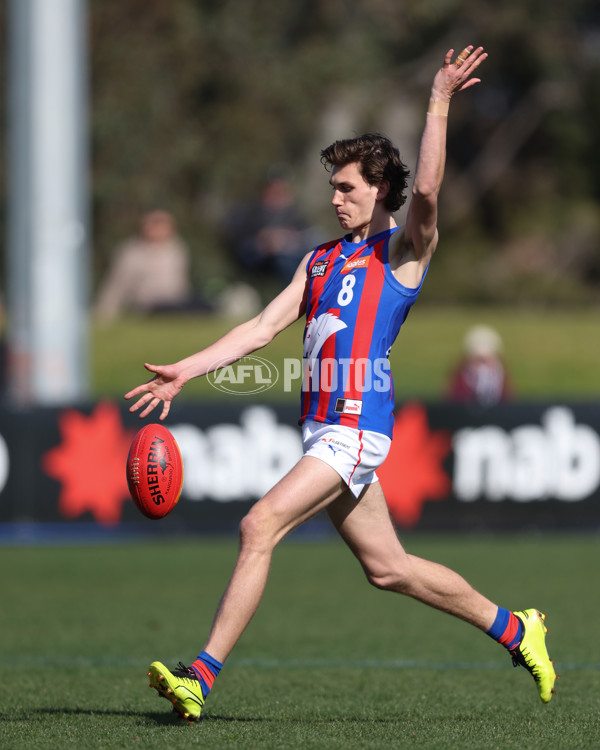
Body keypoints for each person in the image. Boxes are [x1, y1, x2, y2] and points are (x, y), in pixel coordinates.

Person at [125, 46, 556, 722]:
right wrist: (187, 367)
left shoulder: (403, 251)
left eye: (347, 187)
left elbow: (434, 193)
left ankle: (200, 676)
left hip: (356, 430)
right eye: (332, 187)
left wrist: (438, 100)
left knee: (258, 524)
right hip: (324, 430)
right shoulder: (320, 259)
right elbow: (261, 328)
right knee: (388, 568)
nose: (334, 197)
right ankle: (515, 628)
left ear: (381, 190)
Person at [95, 209, 194, 321]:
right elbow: (117, 284)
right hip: (149, 304)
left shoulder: (176, 248)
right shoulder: (132, 252)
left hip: (178, 300)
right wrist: (104, 311)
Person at [224, 168, 313, 284]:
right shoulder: (250, 212)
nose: (278, 196)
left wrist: (289, 239)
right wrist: (264, 241)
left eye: (282, 191)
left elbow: (308, 238)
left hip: (291, 260)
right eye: (274, 191)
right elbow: (239, 242)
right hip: (259, 263)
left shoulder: (295, 215)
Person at [447, 324, 513, 406]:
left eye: (486, 360)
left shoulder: (501, 379)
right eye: (478, 360)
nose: (483, 366)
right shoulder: (461, 379)